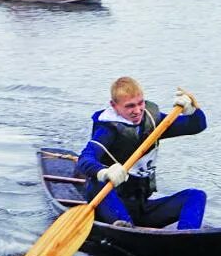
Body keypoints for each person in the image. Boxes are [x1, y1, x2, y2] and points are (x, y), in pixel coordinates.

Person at [75, 77, 207, 229]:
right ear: (114, 106)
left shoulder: (152, 121)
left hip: (141, 208)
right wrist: (104, 172)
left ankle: (186, 238)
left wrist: (192, 111)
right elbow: (84, 159)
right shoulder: (107, 129)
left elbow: (196, 126)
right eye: (130, 106)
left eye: (140, 103)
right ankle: (124, 228)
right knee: (97, 182)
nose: (137, 111)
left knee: (196, 196)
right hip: (110, 208)